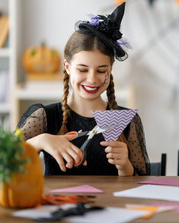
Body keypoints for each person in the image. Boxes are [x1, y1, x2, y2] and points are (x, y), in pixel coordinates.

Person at [17, 2, 150, 176]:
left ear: (110, 70)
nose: (92, 79)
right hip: (57, 203)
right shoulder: (45, 117)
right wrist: (40, 141)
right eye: (83, 69)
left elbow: (143, 183)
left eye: (101, 70)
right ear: (67, 67)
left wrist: (125, 166)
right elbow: (2, 160)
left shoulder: (129, 123)